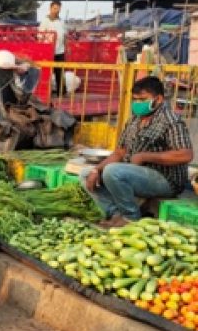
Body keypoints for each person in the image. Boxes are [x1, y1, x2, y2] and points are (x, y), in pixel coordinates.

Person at [81, 76, 193, 228]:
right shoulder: (134, 120)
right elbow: (120, 152)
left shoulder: (171, 121)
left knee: (113, 171)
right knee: (87, 174)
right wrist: (96, 169)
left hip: (166, 179)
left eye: (143, 99)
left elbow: (185, 154)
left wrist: (146, 156)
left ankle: (130, 218)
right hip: (137, 174)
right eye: (135, 99)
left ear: (158, 99)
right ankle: (115, 214)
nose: (138, 103)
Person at [39, 0, 67, 94]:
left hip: (60, 50)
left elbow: (64, 35)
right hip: (49, 50)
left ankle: (61, 92)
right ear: (50, 8)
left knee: (60, 72)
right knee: (47, 72)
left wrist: (66, 47)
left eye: (58, 9)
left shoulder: (61, 21)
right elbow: (40, 36)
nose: (57, 10)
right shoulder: (45, 21)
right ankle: (46, 92)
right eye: (55, 8)